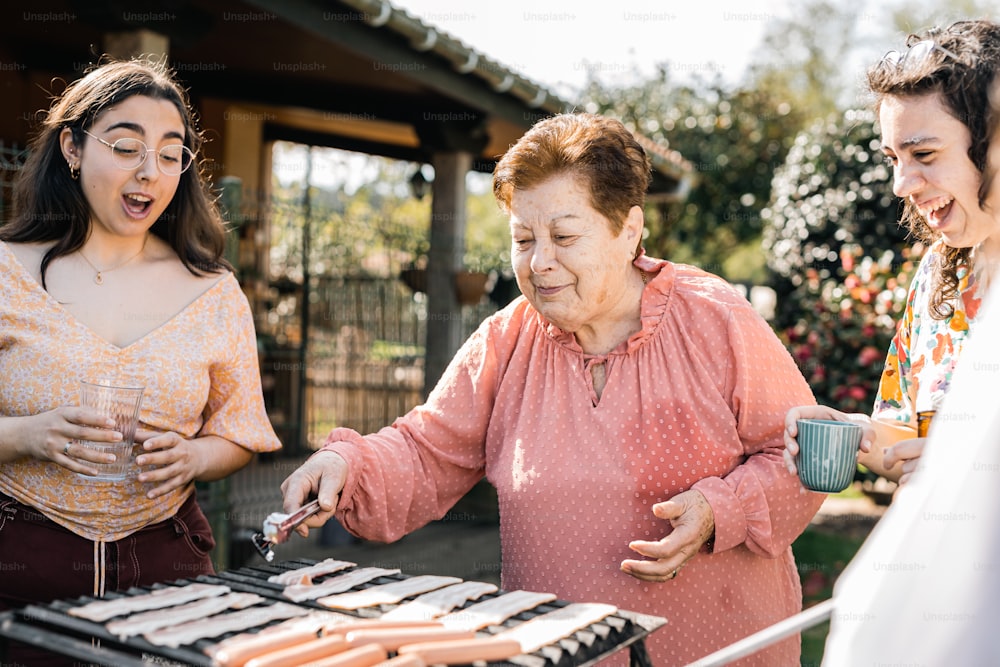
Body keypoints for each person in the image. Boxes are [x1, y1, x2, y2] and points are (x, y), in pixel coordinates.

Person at [281, 113, 826, 666]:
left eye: (564, 237)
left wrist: (719, 509)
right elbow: (426, 452)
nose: (540, 262)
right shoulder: (507, 337)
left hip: (713, 647)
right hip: (555, 650)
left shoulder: (715, 318)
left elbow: (806, 452)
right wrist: (348, 466)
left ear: (628, 230)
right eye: (523, 239)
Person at [0, 57, 281, 658]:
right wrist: (27, 435)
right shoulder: (6, 273)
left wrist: (194, 456)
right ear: (72, 149)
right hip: (19, 559)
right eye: (126, 147)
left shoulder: (214, 292)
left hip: (165, 561)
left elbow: (238, 433)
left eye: (170, 153)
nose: (149, 172)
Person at [784, 19, 1000, 488]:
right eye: (893, 159)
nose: (901, 185)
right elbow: (904, 436)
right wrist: (855, 433)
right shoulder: (939, 272)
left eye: (923, 155)